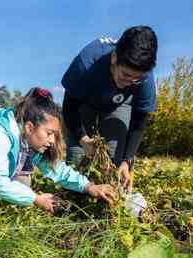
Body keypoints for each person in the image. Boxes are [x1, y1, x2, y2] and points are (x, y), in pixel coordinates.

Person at [0, 87, 116, 214]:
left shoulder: (28, 143)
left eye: (54, 134)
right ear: (29, 127)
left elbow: (56, 169)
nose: (52, 140)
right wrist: (35, 199)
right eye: (49, 133)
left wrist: (89, 186)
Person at [61, 26, 158, 191]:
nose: (130, 82)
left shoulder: (145, 78)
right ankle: (74, 200)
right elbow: (70, 107)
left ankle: (108, 200)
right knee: (77, 158)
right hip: (84, 102)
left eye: (137, 78)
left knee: (114, 159)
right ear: (114, 58)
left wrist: (127, 161)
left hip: (119, 104)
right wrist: (83, 139)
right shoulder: (86, 64)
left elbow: (139, 122)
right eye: (126, 75)